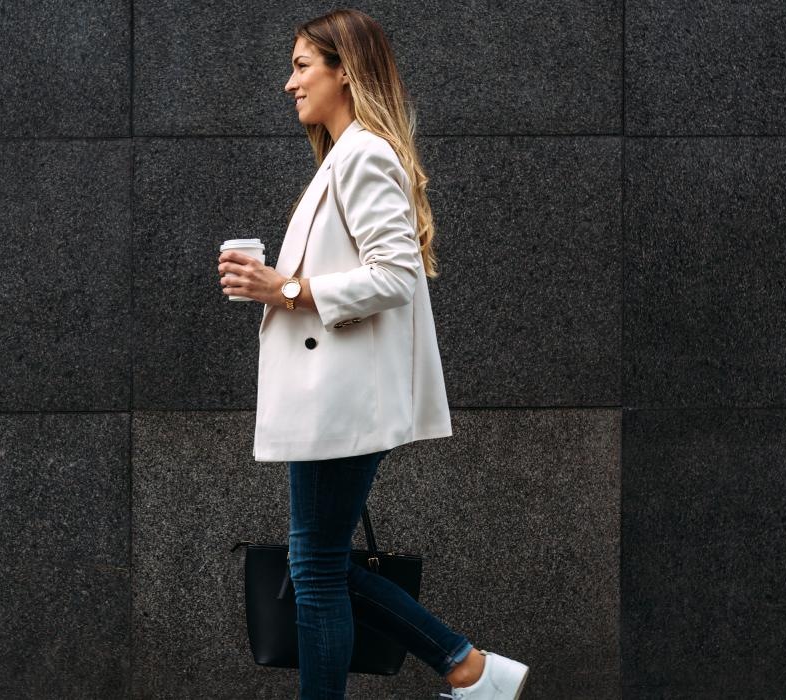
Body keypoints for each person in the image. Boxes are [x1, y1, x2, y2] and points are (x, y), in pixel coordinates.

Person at [215, 9, 530, 700]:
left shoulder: (363, 155)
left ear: (344, 72)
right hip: (334, 392)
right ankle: (468, 669)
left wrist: (286, 287)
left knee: (318, 569)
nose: (288, 83)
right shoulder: (344, 157)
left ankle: (470, 668)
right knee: (317, 562)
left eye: (302, 66)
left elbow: (395, 276)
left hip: (343, 395)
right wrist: (272, 288)